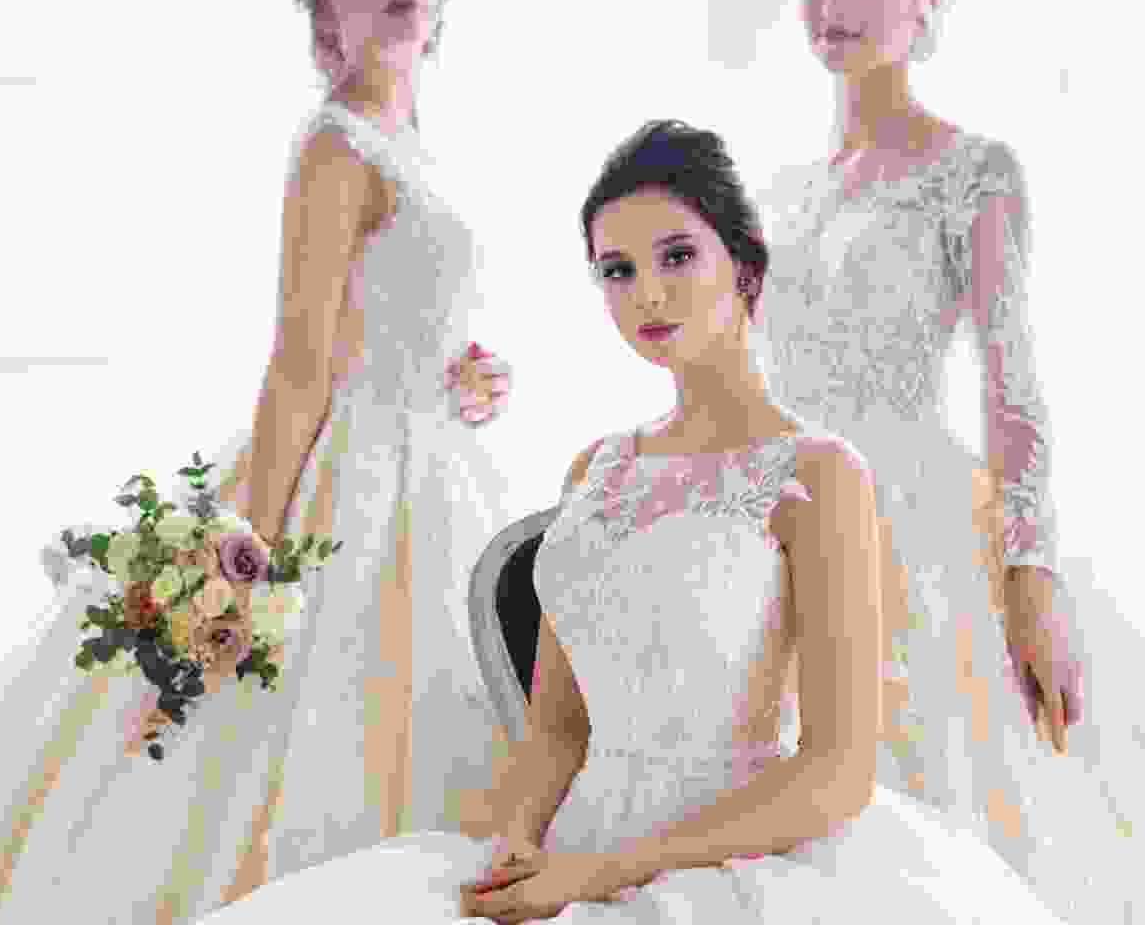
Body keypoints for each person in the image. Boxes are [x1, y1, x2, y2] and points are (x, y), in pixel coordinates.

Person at [192, 119, 1066, 923]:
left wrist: (606, 873)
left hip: (733, 861)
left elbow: (836, 774)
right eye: (617, 270)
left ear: (744, 267)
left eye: (677, 256)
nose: (648, 292)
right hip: (572, 851)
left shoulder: (818, 473)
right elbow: (558, 731)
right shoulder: (596, 471)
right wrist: (512, 845)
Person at [0, 0, 517, 924]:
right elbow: (300, 366)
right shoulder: (337, 148)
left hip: (429, 470)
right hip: (351, 485)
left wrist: (456, 371)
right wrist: (239, 566)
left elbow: (383, 320)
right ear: (321, 11)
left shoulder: (411, 147)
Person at [751, 0, 1145, 922]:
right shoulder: (782, 191)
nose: (833, 5)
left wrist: (1030, 573)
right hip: (787, 517)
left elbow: (1012, 382)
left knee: (947, 802)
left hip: (911, 519)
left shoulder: (972, 171)